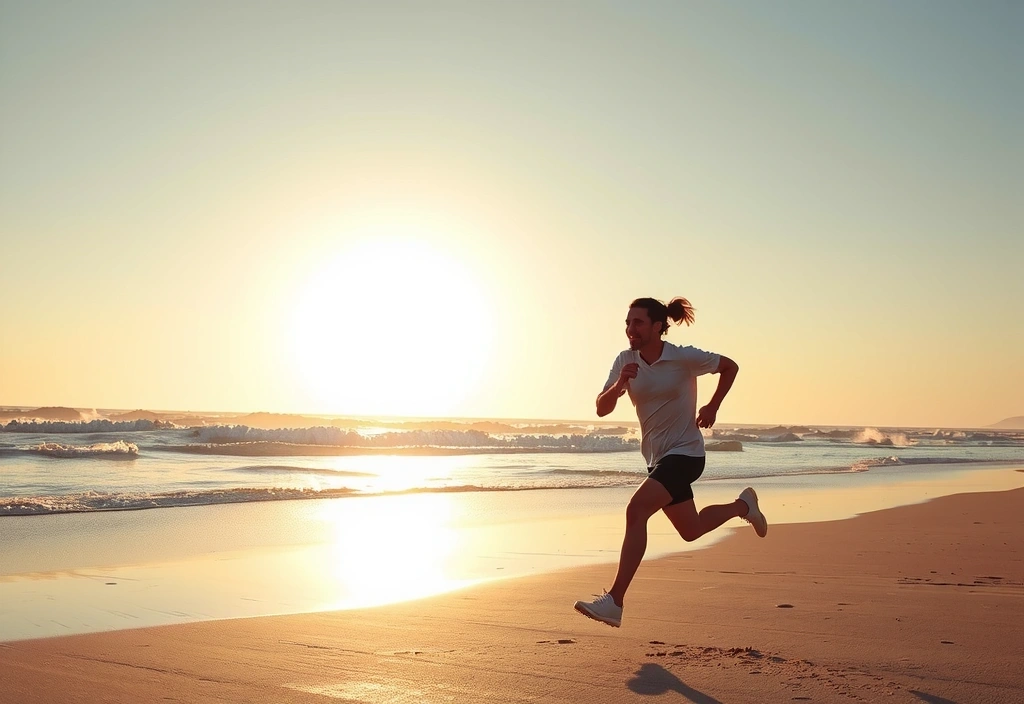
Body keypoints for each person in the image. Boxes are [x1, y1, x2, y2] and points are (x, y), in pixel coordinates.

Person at [573, 296, 767, 628]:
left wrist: (712, 406)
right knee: (691, 531)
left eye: (638, 322)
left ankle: (615, 601)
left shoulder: (683, 357)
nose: (630, 329)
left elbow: (729, 366)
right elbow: (601, 408)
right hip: (657, 458)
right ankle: (743, 507)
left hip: (687, 453)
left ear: (658, 326)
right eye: (627, 322)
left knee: (636, 510)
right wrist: (620, 383)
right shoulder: (625, 360)